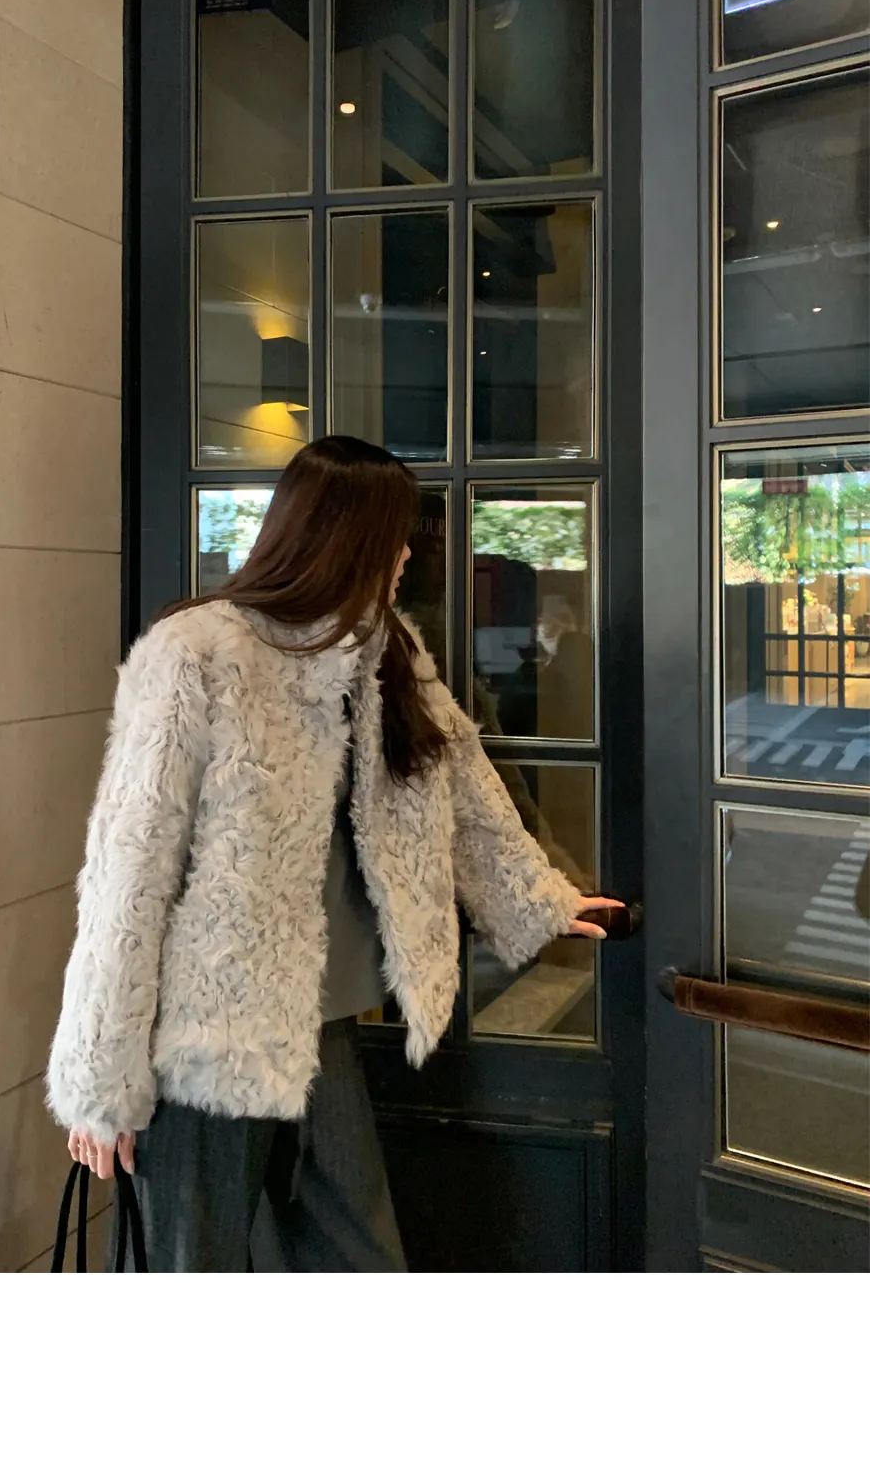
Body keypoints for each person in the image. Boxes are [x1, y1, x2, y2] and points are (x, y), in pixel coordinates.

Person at [46, 436, 622, 1272]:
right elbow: (129, 869)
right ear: (346, 538)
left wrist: (541, 899)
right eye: (397, 537)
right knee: (186, 1270)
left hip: (325, 1030)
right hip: (201, 1041)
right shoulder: (196, 651)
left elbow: (463, 792)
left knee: (359, 1262)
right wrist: (101, 1082)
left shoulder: (388, 650)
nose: (406, 557)